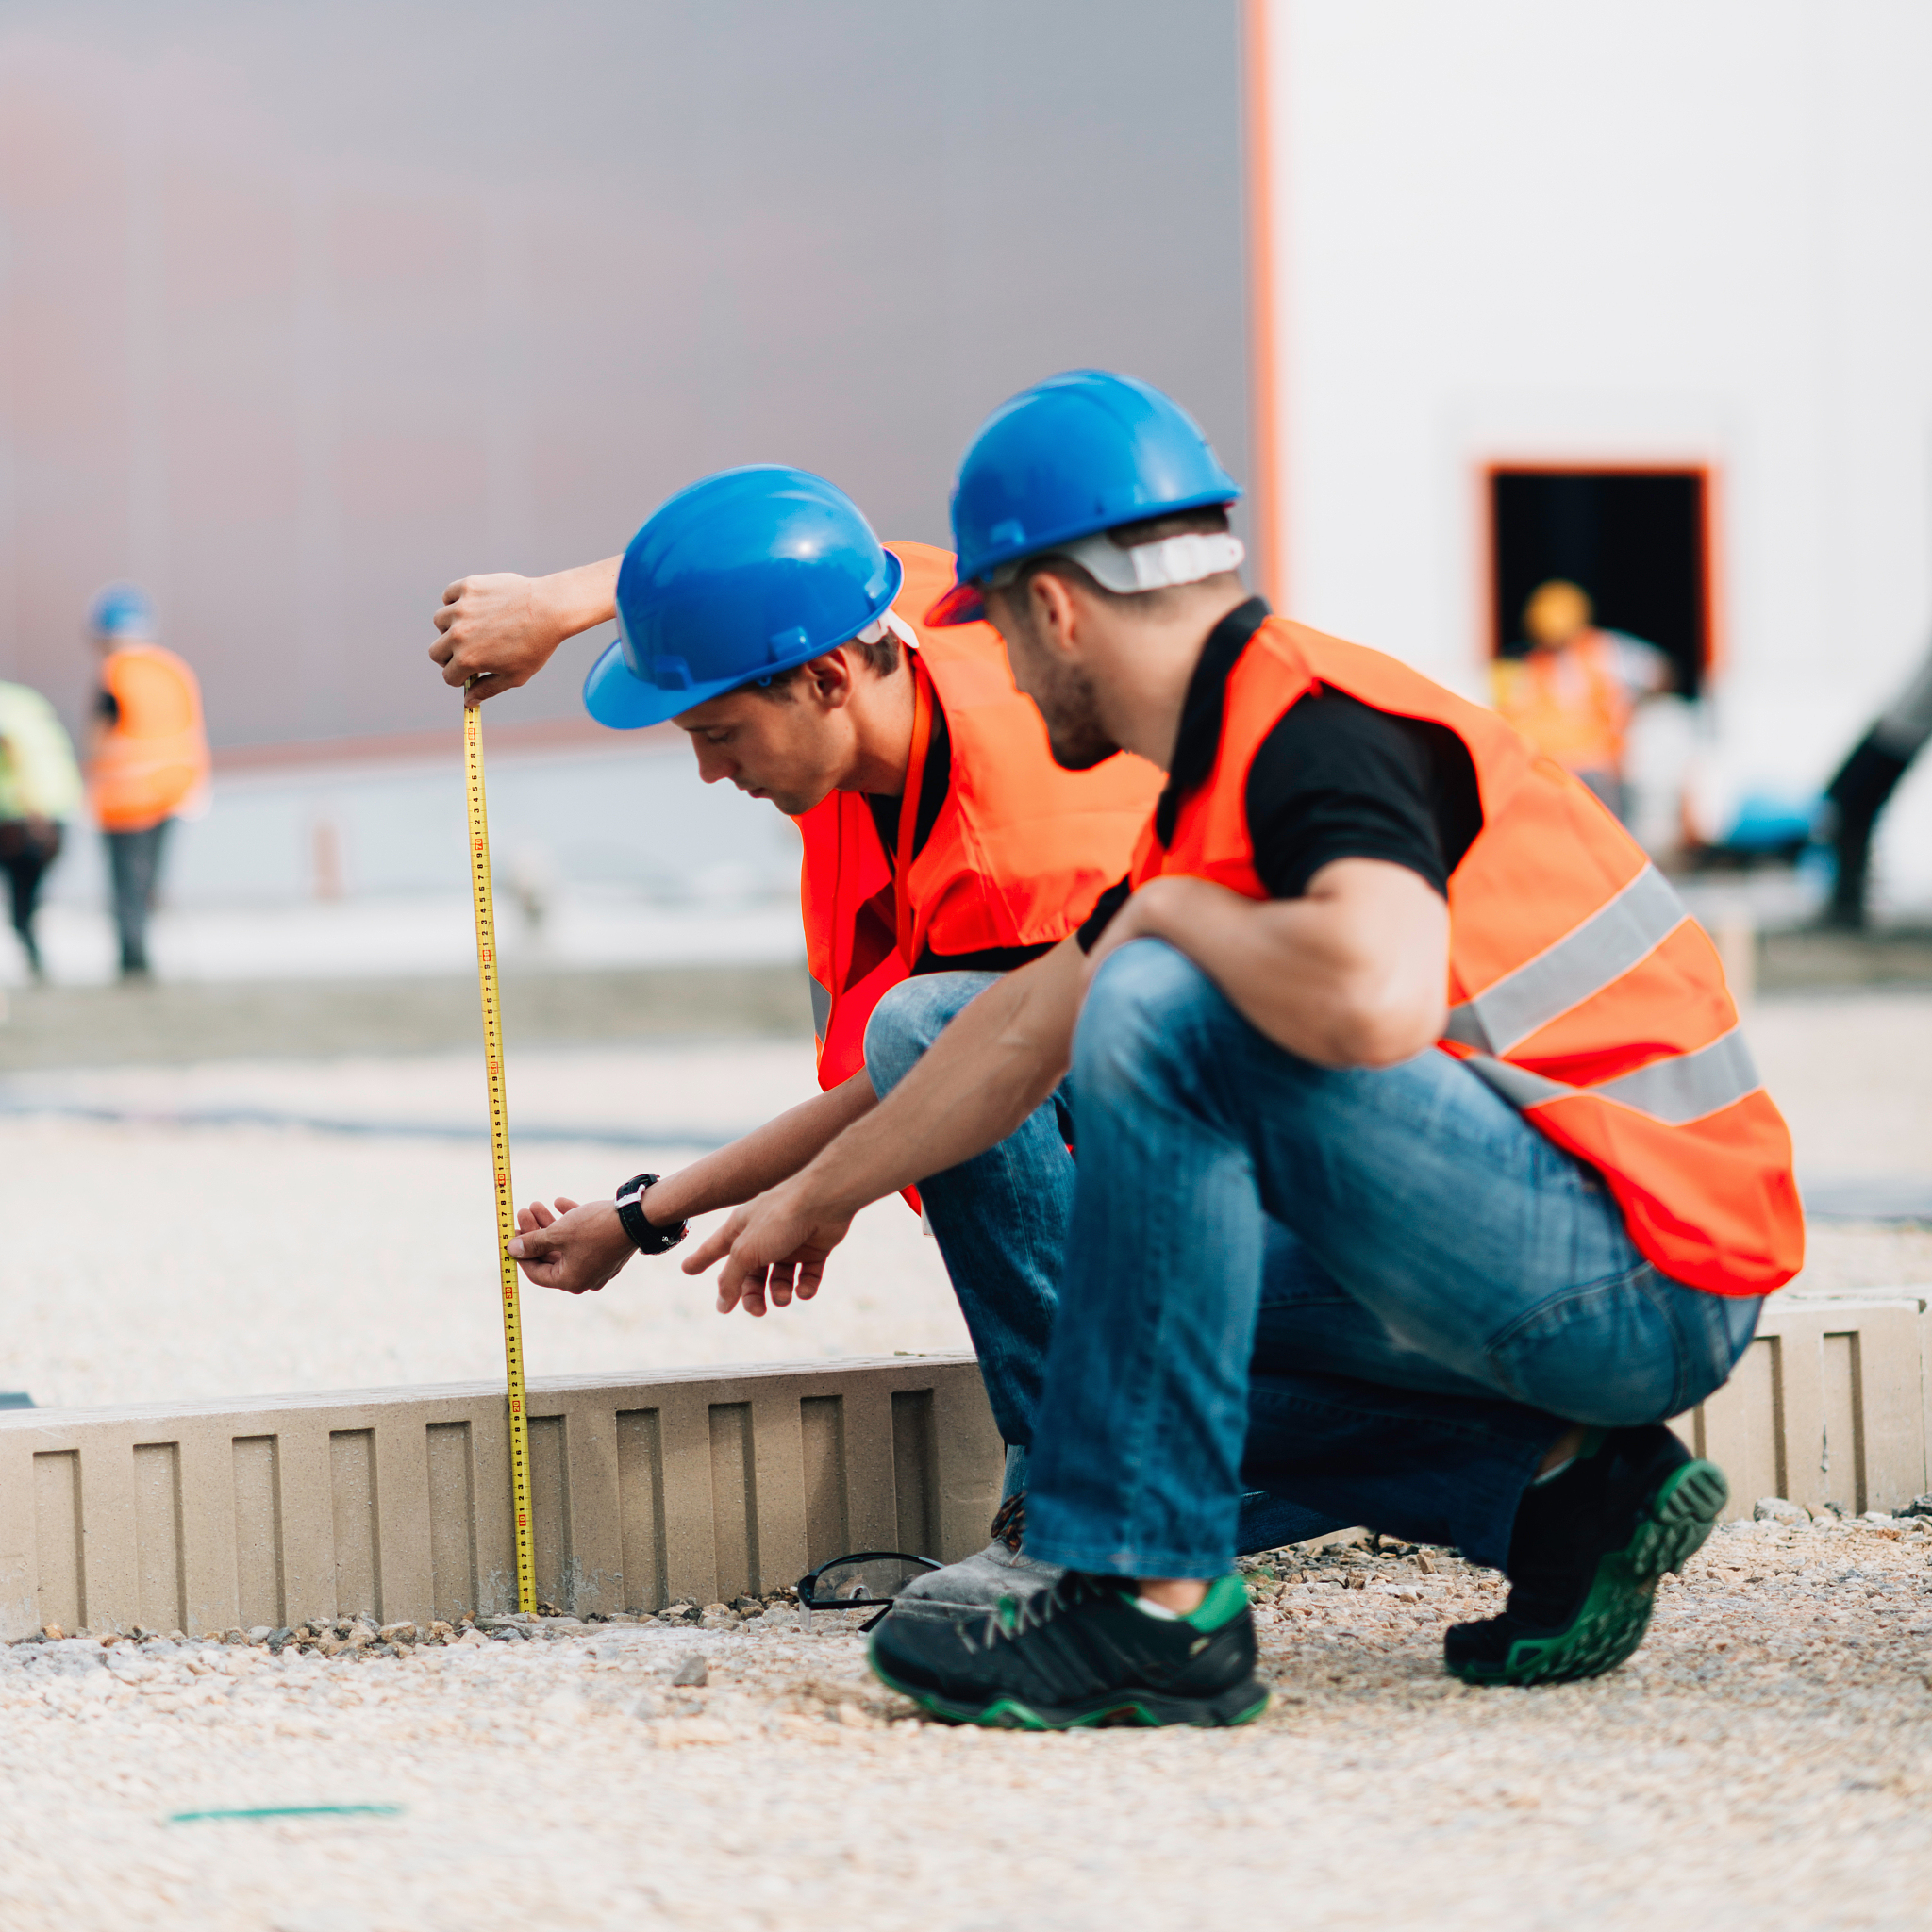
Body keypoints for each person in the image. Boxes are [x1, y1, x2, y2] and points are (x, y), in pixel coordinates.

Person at [682, 371, 1805, 1730]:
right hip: (1563, 1245)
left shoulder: (1314, 733)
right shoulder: (1215, 780)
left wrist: (1175, 921)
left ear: (1053, 609)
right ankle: (1563, 1491)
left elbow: (1377, 994)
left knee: (1161, 998)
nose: (1008, 681)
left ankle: (1153, 1608)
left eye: (1005, 639)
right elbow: (1019, 1037)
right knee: (1100, 1329)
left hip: (1637, 1273)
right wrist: (815, 1195)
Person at [430, 467, 1163, 1609]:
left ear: (825, 679)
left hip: (1267, 1178)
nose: (711, 770)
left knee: (930, 1023)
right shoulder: (899, 628)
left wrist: (701, 1206)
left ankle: (1096, 1501)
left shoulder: (1016, 839)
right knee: (928, 1024)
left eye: (719, 733)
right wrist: (559, 606)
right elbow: (770, 540)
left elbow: (927, 1078)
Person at [85, 586, 209, 980]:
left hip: (127, 796)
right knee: (152, 879)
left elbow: (99, 735)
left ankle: (134, 963)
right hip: (174, 790)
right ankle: (144, 955)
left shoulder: (115, 673)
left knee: (128, 886)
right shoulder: (173, 670)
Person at [1491, 579, 1671, 822]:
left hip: (1597, 768)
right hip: (1549, 769)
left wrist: (1631, 707)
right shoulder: (1526, 664)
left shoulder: (1604, 650)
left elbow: (1661, 674)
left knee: (1604, 840)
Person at [1819, 637, 1932, 928]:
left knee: (1847, 809)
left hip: (1898, 734)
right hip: (1895, 731)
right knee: (1845, 809)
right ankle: (1847, 906)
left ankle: (1848, 906)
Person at [0, 679, 83, 980]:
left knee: (23, 894)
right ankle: (34, 953)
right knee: (29, 895)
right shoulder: (28, 705)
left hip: (21, 816)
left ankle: (33, 953)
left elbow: (13, 751)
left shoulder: (7, 709)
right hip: (55, 810)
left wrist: (31, 804)